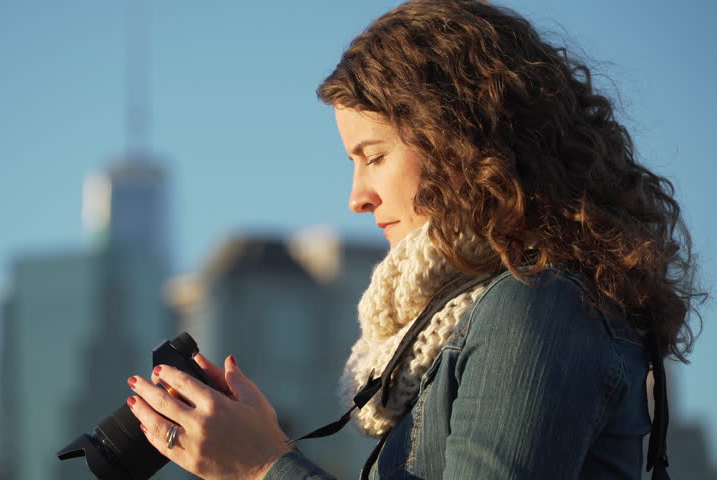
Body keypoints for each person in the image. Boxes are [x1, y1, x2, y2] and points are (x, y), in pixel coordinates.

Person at [126, 0, 702, 478]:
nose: (357, 197)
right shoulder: (485, 312)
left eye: (374, 157)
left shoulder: (536, 305)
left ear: (460, 141)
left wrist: (261, 466)